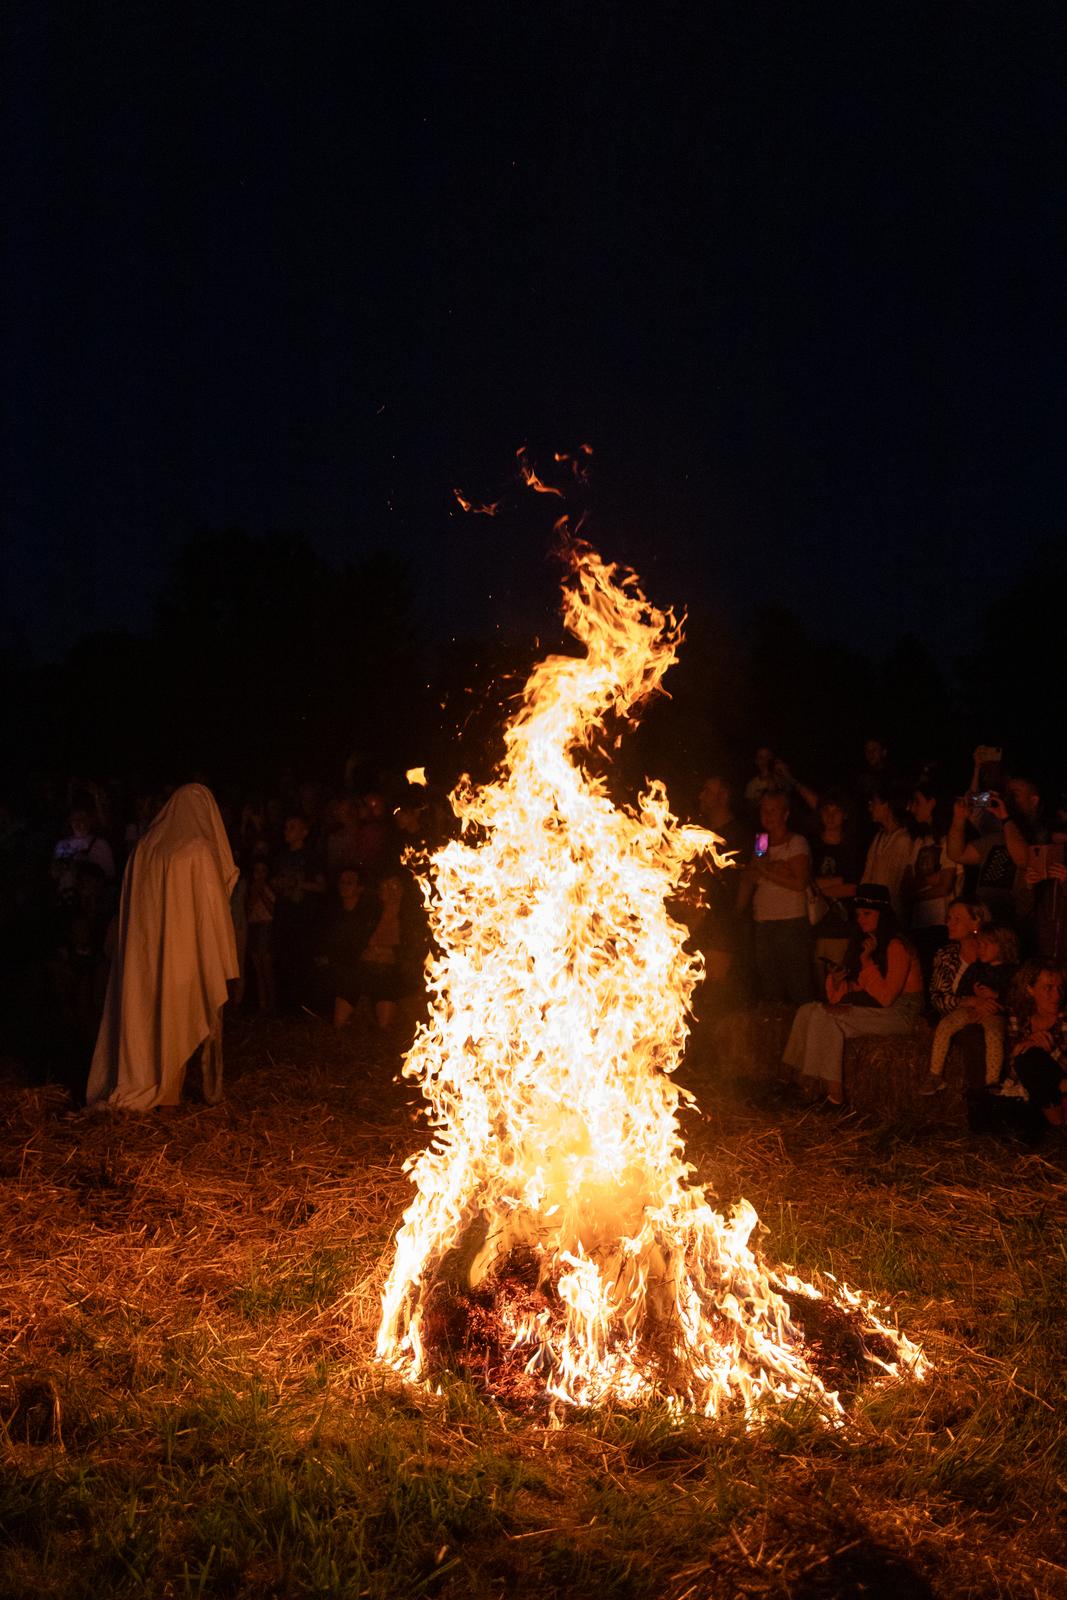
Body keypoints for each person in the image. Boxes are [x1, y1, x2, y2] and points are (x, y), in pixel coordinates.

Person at [86, 784, 239, 1111]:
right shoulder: (197, 849)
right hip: (184, 955)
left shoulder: (144, 847)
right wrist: (216, 953)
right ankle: (168, 1090)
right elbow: (213, 910)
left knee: (148, 1018)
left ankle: (153, 1082)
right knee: (179, 1016)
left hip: (144, 958)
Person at [782, 884, 924, 1107]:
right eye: (858, 914)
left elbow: (887, 998)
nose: (861, 919)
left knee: (825, 1018)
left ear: (882, 914)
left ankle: (828, 1094)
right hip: (876, 1008)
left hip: (900, 1013)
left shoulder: (897, 946)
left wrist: (867, 962)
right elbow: (859, 991)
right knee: (808, 1010)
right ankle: (791, 1079)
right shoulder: (868, 942)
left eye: (867, 914)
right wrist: (839, 983)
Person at [920, 923, 1019, 1095]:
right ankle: (935, 1074)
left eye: (986, 944)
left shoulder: (1012, 972)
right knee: (945, 1024)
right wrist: (973, 996)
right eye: (979, 944)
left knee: (994, 1035)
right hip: (971, 1009)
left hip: (995, 1013)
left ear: (1003, 946)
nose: (981, 948)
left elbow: (1017, 998)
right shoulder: (975, 968)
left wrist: (996, 997)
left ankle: (992, 1082)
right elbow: (961, 992)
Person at [736, 790, 813, 1004]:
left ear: (785, 814)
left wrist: (767, 872)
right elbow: (752, 874)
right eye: (764, 810)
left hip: (790, 922)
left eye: (773, 810)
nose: (768, 815)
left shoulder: (796, 842)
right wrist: (772, 869)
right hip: (764, 922)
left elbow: (799, 883)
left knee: (798, 983)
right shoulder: (762, 841)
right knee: (770, 985)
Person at [999, 961, 1067, 1140]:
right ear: (1030, 989)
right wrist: (1022, 1048)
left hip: (1062, 1095)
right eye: (1048, 988)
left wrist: (1051, 1050)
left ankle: (1058, 1126)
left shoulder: (1064, 1019)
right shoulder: (1019, 1017)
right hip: (1031, 1093)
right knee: (1027, 1058)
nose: (1056, 995)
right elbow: (1010, 1071)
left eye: (1060, 988)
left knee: (1031, 1057)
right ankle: (1057, 1127)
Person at [906, 781, 960, 983]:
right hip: (919, 921)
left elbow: (945, 886)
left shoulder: (947, 839)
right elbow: (908, 881)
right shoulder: (920, 840)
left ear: (932, 803)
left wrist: (916, 892)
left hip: (940, 921)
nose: (912, 808)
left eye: (917, 802)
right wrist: (932, 878)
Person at [808, 789, 864, 979]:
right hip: (815, 926)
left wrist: (820, 887)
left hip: (843, 927)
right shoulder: (812, 846)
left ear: (845, 814)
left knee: (839, 982)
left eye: (836, 811)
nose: (830, 817)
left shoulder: (853, 848)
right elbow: (806, 882)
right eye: (826, 811)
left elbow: (852, 887)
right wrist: (837, 882)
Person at [860, 784, 914, 919]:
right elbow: (868, 874)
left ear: (888, 805)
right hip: (874, 912)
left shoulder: (903, 839)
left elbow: (897, 882)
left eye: (874, 802)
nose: (870, 807)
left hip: (892, 913)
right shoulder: (879, 838)